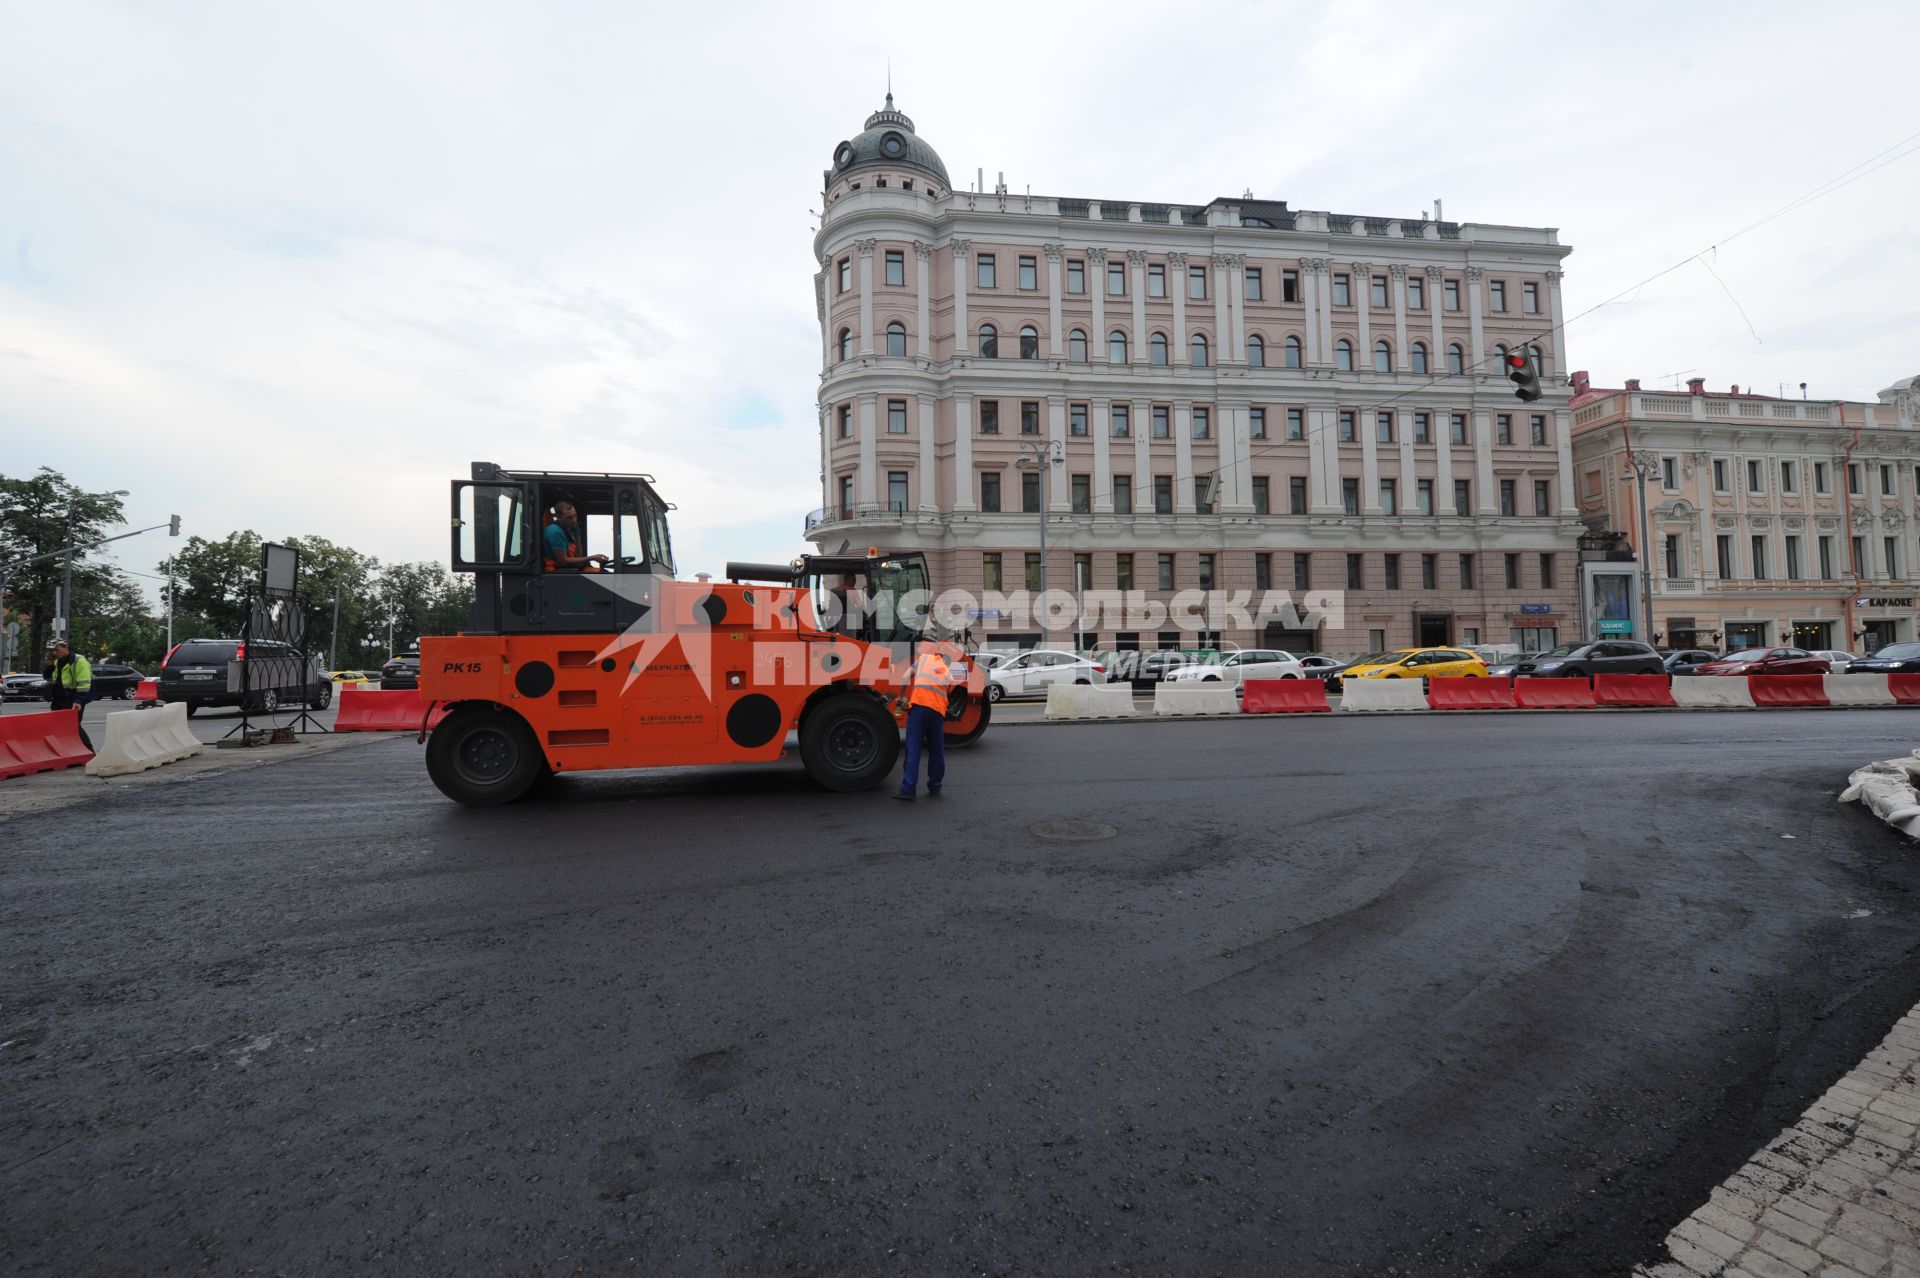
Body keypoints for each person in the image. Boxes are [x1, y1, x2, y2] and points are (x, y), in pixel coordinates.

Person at [893, 637, 960, 801]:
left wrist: (902, 698)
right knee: (936, 749)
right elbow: (949, 688)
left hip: (919, 708)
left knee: (914, 747)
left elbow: (903, 677)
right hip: (937, 712)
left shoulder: (922, 660)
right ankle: (935, 786)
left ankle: (908, 789)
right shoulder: (945, 669)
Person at [43, 640, 94, 749]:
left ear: (65, 647)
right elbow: (46, 676)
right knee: (58, 726)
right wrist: (49, 665)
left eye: (56, 649)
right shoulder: (57, 661)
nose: (54, 653)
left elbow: (84, 685)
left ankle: (90, 752)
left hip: (73, 698)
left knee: (73, 726)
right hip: (58, 698)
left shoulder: (79, 661)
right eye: (52, 651)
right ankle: (70, 752)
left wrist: (78, 701)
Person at [543, 499, 610, 573]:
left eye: (575, 515)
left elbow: (579, 554)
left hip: (572, 567)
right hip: (556, 572)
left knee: (604, 573)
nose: (574, 520)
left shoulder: (574, 526)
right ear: (559, 517)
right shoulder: (555, 532)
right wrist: (592, 558)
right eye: (569, 517)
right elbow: (563, 560)